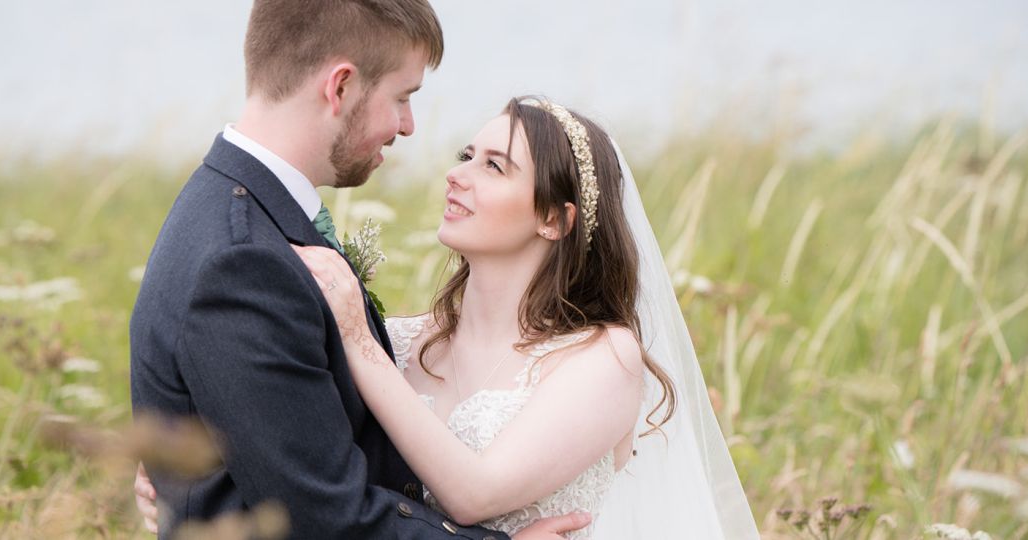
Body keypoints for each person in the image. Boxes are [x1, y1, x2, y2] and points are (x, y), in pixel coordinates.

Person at [138, 96, 762, 538]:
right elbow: (310, 473)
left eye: (494, 167)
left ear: (554, 219)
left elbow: (475, 494)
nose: (456, 177)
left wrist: (355, 336)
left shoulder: (603, 358)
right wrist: (187, 487)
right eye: (467, 154)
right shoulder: (408, 343)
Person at [129, 1, 586, 538]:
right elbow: (327, 518)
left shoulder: (243, 213)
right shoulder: (244, 261)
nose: (409, 126)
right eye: (402, 97)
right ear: (340, 86)